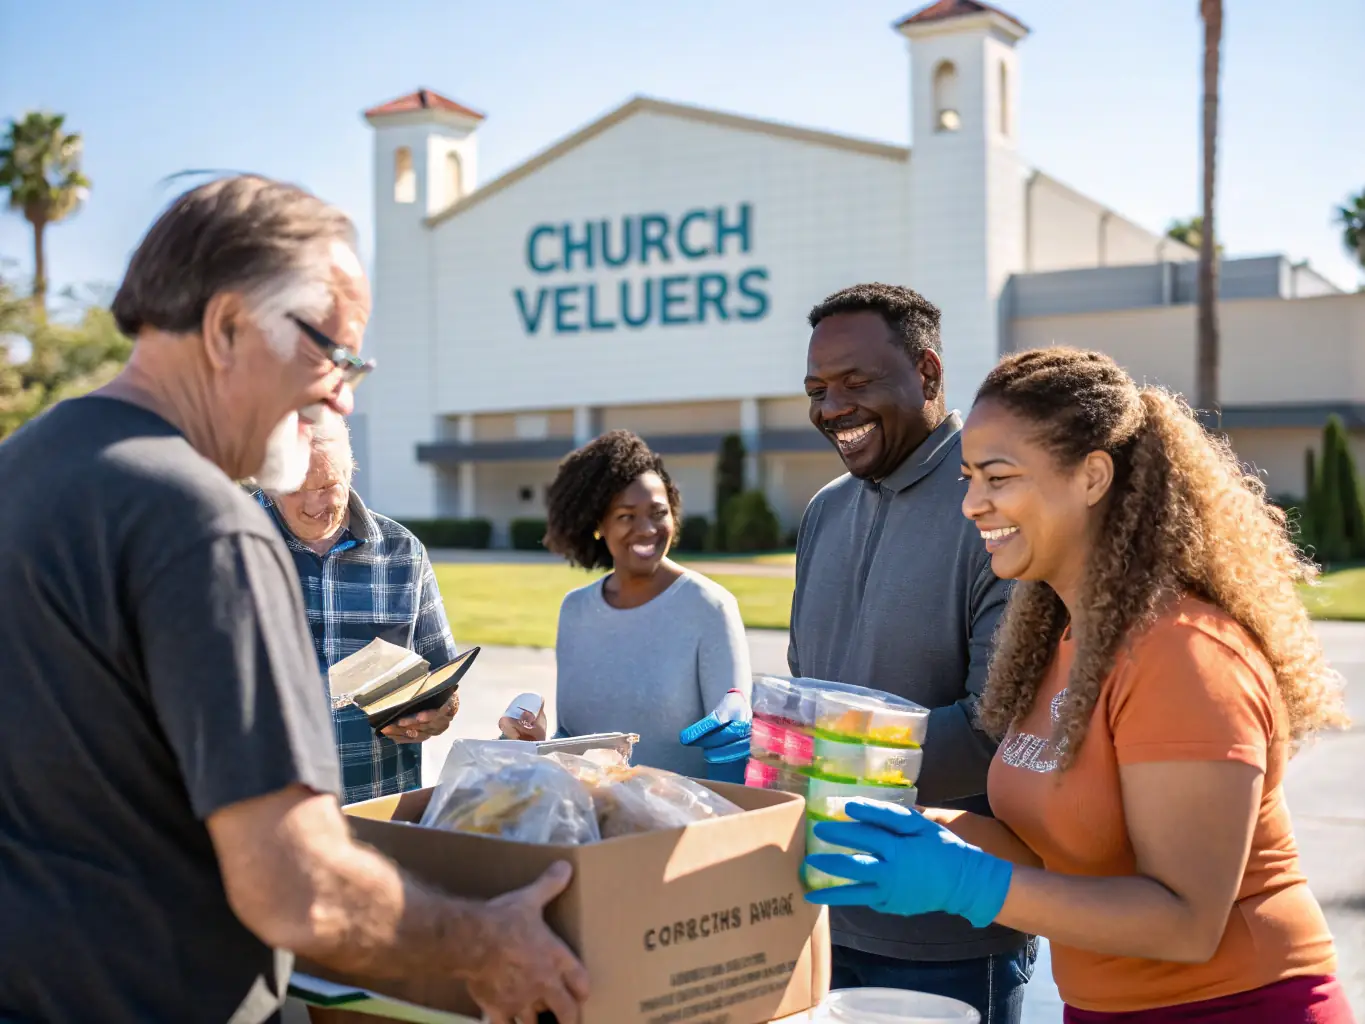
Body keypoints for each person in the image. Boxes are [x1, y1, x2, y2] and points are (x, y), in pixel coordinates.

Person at [0, 175, 587, 1024]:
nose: (342, 396)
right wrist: (488, 940)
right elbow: (297, 887)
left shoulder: (24, 468)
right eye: (333, 355)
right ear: (228, 324)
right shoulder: (204, 524)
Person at [806, 347, 1355, 1023]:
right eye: (969, 478)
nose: (973, 505)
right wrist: (917, 831)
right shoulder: (1059, 640)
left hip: (1235, 1006)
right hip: (1100, 1008)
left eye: (998, 478)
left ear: (1092, 476)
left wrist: (964, 883)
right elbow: (1062, 847)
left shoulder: (1184, 652)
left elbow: (1184, 922)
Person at [788, 283, 1033, 1018]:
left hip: (950, 930)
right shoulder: (824, 511)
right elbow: (810, 686)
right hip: (826, 914)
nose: (831, 407)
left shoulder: (994, 503)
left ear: (926, 373)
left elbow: (1000, 729)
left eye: (855, 382)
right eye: (817, 389)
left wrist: (816, 764)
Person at [256, 411, 461, 805]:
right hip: (266, 815)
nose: (316, 503)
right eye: (297, 487)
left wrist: (438, 713)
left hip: (379, 805)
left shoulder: (403, 552)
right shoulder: (224, 543)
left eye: (329, 484)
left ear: (350, 472)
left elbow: (441, 676)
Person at [543, 429, 753, 778]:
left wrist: (739, 731)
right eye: (626, 516)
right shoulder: (575, 610)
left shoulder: (710, 607)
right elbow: (571, 737)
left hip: (685, 821)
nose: (647, 529)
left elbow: (732, 753)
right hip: (591, 820)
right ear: (599, 524)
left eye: (658, 512)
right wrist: (530, 739)